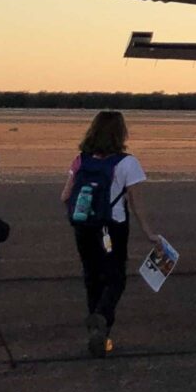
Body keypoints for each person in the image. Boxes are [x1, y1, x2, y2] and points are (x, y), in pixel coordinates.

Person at [61, 110, 169, 357]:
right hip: (112, 227)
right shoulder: (127, 163)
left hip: (83, 227)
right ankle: (102, 320)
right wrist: (150, 233)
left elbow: (65, 196)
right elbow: (136, 204)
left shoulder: (80, 160)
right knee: (115, 277)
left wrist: (80, 214)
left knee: (92, 277)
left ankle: (96, 331)